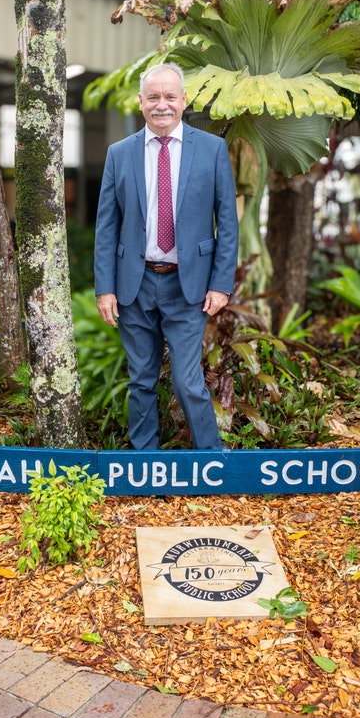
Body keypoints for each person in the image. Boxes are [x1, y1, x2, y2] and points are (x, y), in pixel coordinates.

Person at [94, 62, 239, 450]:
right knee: (141, 378)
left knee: (187, 380)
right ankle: (146, 464)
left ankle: (211, 458)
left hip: (187, 284)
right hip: (134, 283)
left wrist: (221, 283)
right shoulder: (119, 153)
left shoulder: (211, 150)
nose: (162, 105)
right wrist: (104, 289)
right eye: (154, 97)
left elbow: (227, 221)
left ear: (183, 101)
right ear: (141, 102)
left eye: (170, 97)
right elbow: (106, 226)